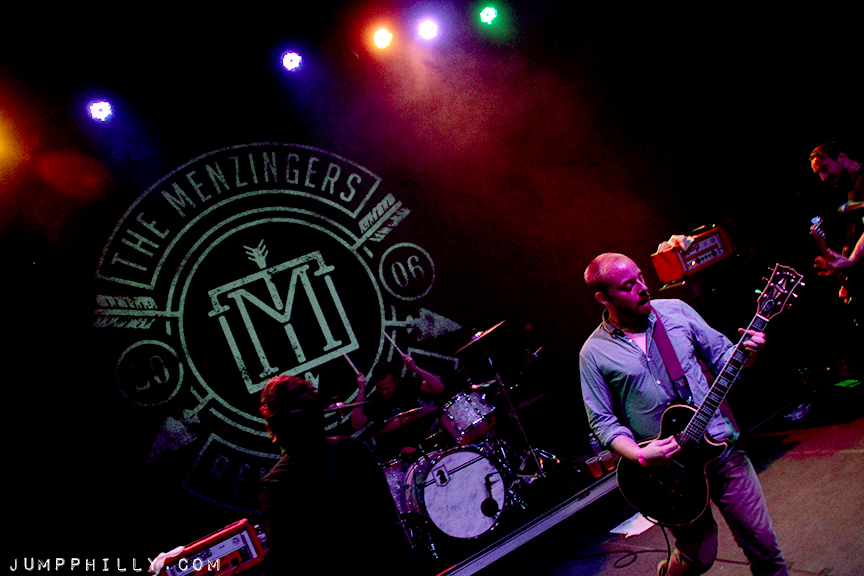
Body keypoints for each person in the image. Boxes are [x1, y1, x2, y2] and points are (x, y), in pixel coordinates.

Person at [579, 253, 788, 576]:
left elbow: (724, 359)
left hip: (721, 449)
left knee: (765, 548)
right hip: (669, 472)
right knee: (698, 559)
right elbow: (602, 421)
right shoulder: (594, 353)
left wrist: (747, 353)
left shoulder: (676, 311)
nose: (642, 287)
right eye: (628, 285)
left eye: (641, 277)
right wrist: (640, 455)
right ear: (602, 298)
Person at [351, 354, 445, 458]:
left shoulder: (405, 384)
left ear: (395, 381)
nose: (384, 393)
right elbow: (356, 424)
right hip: (395, 451)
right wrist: (361, 390)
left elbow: (439, 388)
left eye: (388, 388)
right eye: (379, 388)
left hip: (420, 436)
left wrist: (415, 368)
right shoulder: (374, 399)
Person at [809, 142, 864, 298]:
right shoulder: (852, 189)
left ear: (841, 156)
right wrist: (847, 270)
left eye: (824, 169)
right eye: (819, 173)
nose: (823, 178)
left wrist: (853, 259)